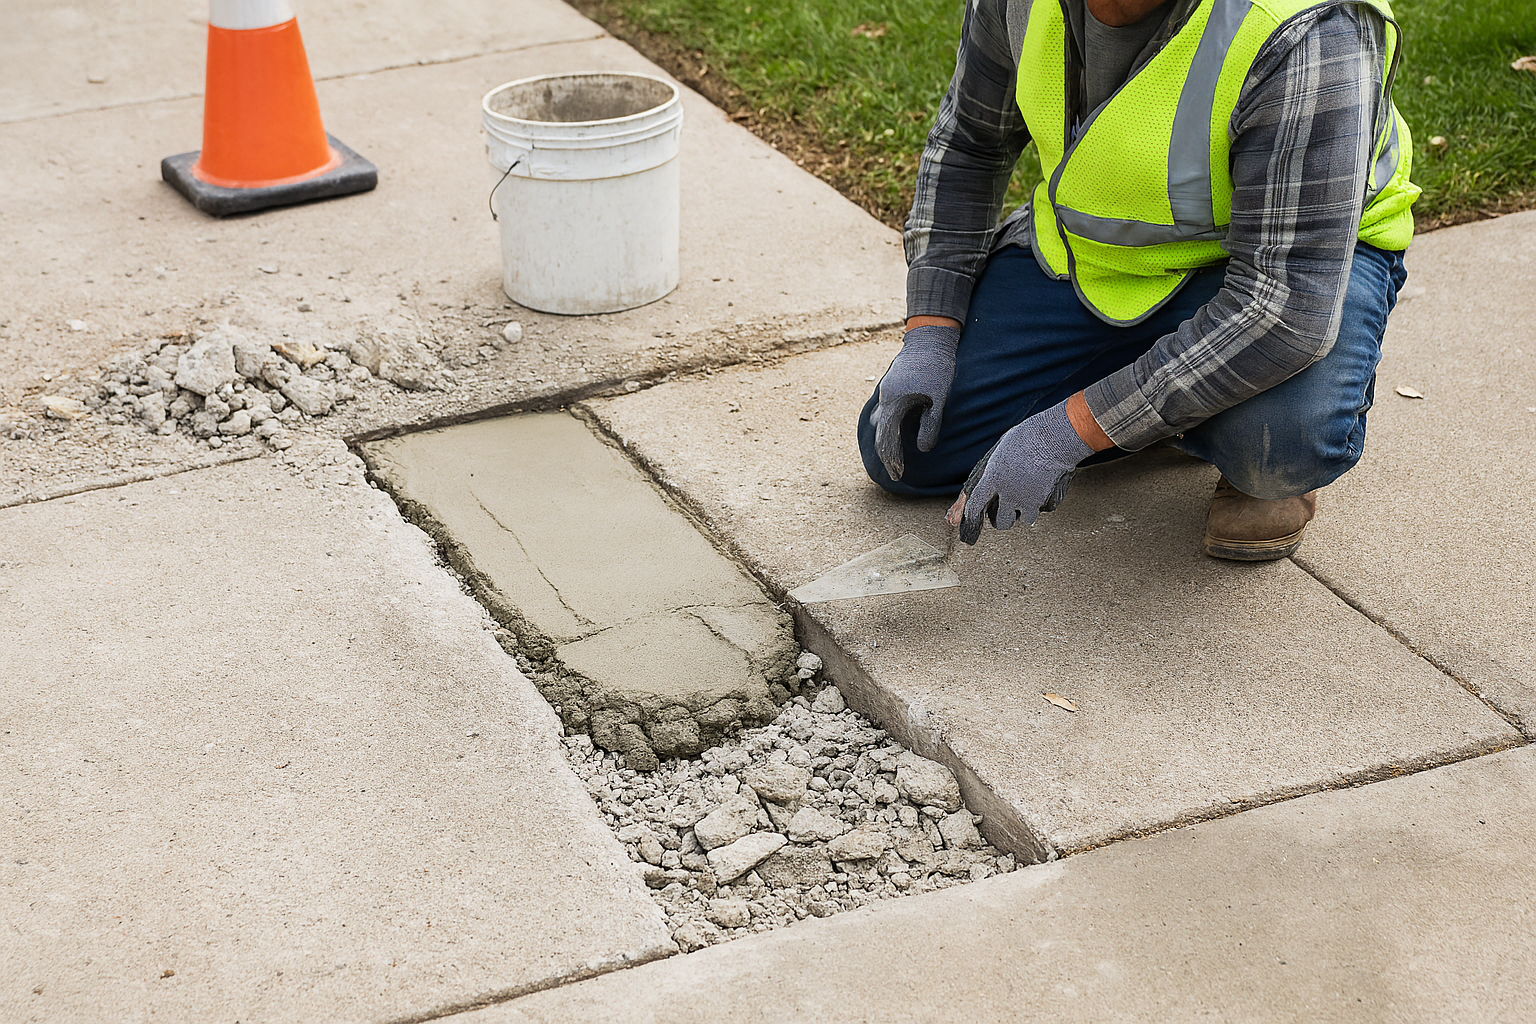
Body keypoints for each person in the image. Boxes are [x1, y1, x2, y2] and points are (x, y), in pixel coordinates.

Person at [859, 0, 1418, 559]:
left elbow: (1282, 310)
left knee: (1276, 445)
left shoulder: (1307, 28)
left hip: (1277, 269)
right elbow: (969, 147)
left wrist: (1068, 431)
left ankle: (1210, 429)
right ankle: (1162, 404)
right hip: (1103, 260)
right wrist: (931, 331)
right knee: (908, 445)